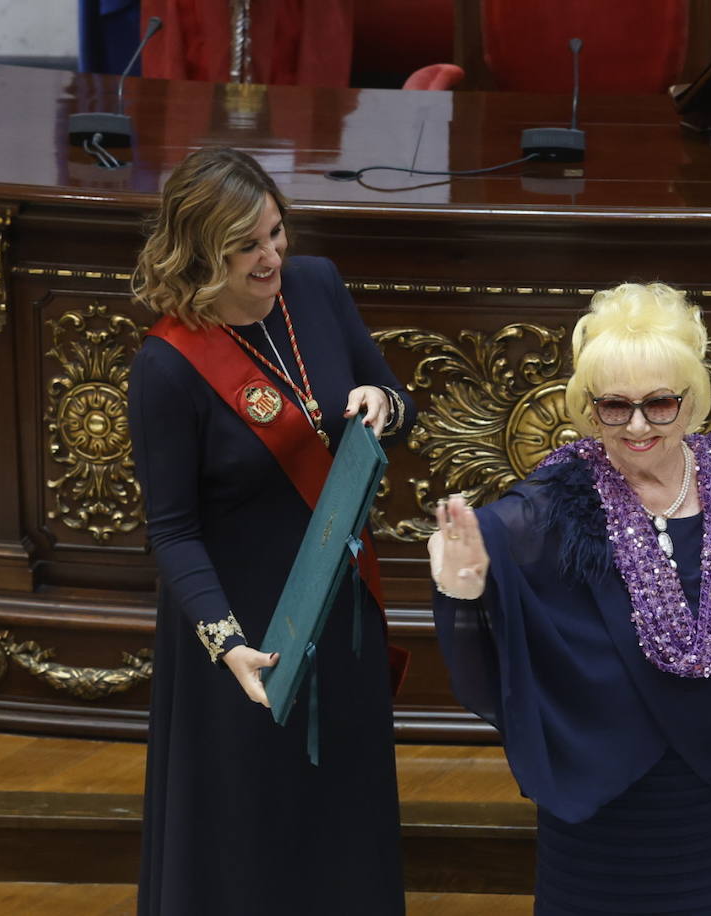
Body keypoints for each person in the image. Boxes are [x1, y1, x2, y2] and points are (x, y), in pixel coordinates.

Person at [430, 282, 711, 915]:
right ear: (589, 407)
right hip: (605, 785)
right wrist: (463, 577)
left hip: (709, 783)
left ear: (691, 400)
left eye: (659, 405)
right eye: (613, 407)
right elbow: (492, 543)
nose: (635, 425)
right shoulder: (561, 493)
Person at [128, 146, 416, 915]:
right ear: (199, 255)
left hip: (339, 608)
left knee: (341, 817)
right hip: (245, 630)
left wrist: (383, 406)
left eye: (276, 233)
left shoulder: (315, 288)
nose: (272, 256)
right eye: (247, 246)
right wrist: (227, 643)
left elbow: (396, 397)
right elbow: (173, 530)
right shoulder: (166, 367)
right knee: (247, 827)